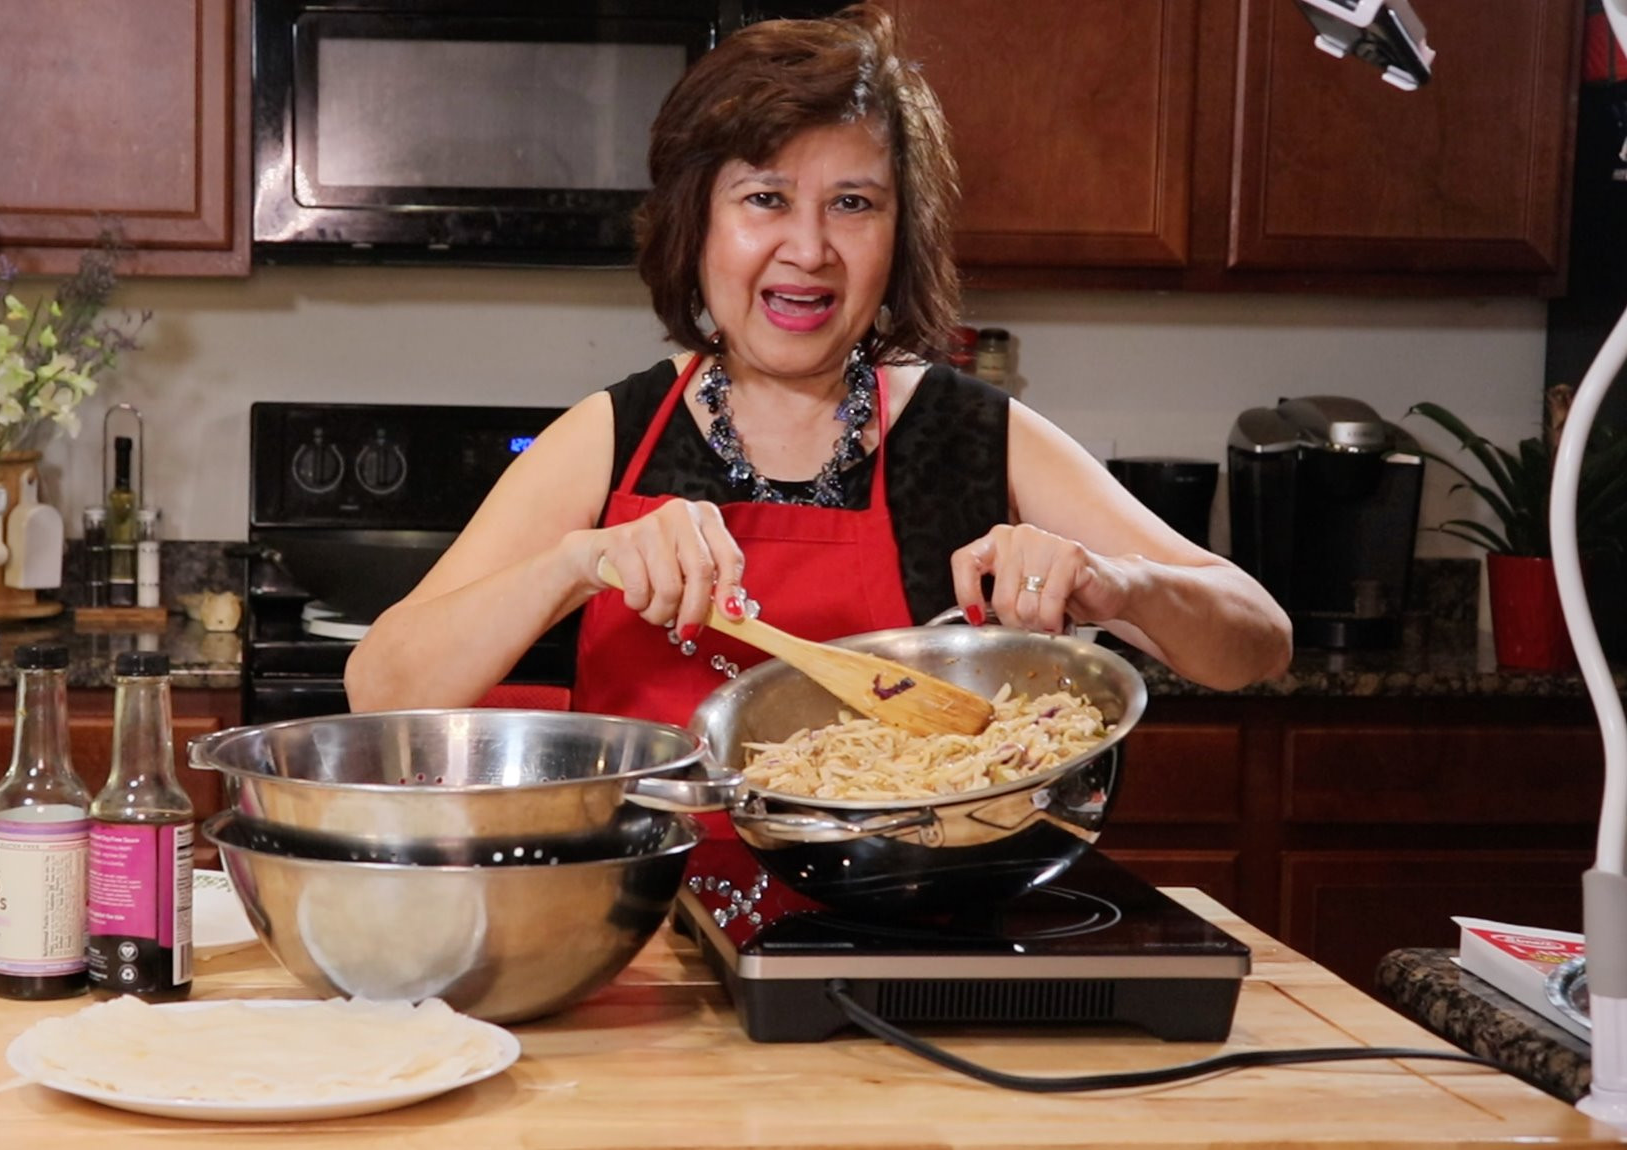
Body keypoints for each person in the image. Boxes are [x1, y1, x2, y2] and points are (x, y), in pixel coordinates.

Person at [345, 4, 1291, 726]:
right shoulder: (610, 438)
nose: (808, 249)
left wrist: (1121, 585)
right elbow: (379, 687)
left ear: (899, 235)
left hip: (906, 913)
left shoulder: (974, 437)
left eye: (853, 204)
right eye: (765, 198)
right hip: (658, 916)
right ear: (697, 224)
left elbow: (1259, 642)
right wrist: (574, 564)